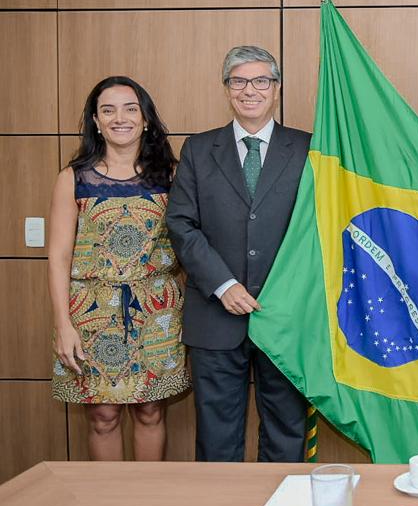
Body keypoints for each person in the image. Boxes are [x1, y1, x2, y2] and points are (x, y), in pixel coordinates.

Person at [167, 46, 311, 462]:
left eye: (261, 81)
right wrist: (223, 284)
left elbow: (318, 229)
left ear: (277, 89)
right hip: (215, 316)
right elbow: (180, 224)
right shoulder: (198, 149)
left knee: (287, 432)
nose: (250, 90)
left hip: (285, 317)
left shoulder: (308, 149)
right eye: (239, 81)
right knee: (216, 436)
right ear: (227, 89)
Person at [49, 76, 189, 460]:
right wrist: (63, 325)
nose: (119, 118)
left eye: (130, 108)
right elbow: (58, 256)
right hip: (90, 313)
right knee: (103, 415)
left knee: (149, 409)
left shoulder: (173, 176)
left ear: (145, 118)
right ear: (95, 121)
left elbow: (193, 243)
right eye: (107, 110)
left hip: (156, 309)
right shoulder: (73, 178)